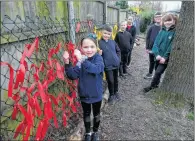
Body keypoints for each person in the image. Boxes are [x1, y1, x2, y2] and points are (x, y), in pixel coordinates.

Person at [63, 33, 104, 141]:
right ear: (81, 48)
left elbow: (95, 69)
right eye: (86, 47)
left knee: (96, 114)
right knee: (86, 114)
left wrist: (82, 59)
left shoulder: (98, 59)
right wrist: (67, 63)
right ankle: (88, 133)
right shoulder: (81, 62)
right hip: (85, 94)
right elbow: (72, 75)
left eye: (92, 47)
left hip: (96, 94)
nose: (89, 50)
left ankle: (95, 132)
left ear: (96, 47)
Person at [143, 13, 178, 93]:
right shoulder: (161, 31)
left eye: (170, 20)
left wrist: (165, 57)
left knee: (158, 72)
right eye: (166, 21)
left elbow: (171, 47)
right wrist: (157, 54)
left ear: (174, 21)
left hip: (165, 59)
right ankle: (156, 85)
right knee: (156, 71)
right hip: (158, 57)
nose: (167, 22)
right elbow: (156, 44)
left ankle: (151, 87)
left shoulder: (174, 33)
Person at [98, 24, 121, 103]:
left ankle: (116, 92)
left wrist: (118, 59)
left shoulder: (112, 42)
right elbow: (98, 56)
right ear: (101, 32)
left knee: (115, 79)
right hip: (107, 66)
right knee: (110, 80)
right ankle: (111, 95)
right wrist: (99, 55)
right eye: (105, 33)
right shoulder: (99, 43)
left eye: (108, 34)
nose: (106, 35)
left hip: (115, 64)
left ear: (111, 34)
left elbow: (118, 51)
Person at [144, 12, 162, 79]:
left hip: (159, 49)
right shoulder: (151, 27)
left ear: (161, 18)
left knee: (158, 62)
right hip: (151, 48)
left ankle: (156, 75)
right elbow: (148, 37)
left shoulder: (163, 27)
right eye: (156, 17)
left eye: (159, 17)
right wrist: (147, 47)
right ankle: (150, 73)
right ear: (154, 18)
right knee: (151, 61)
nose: (158, 18)